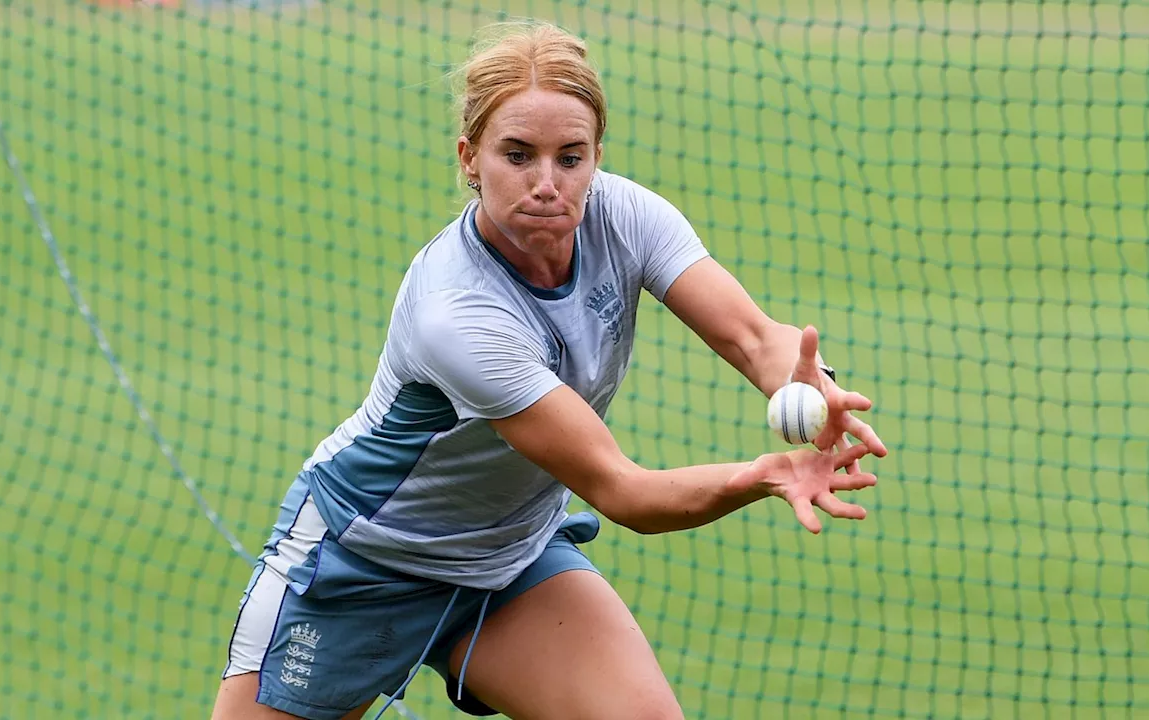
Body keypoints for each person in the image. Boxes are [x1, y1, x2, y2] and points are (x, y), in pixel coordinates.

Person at [210, 20, 887, 720]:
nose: (546, 183)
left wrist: (809, 383)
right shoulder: (458, 314)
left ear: (597, 157)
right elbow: (620, 490)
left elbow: (753, 337)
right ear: (470, 158)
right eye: (517, 155)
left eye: (571, 157)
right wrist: (763, 475)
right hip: (364, 561)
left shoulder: (625, 215)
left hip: (509, 560)